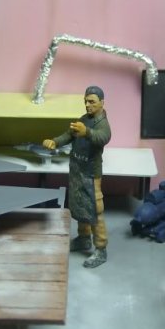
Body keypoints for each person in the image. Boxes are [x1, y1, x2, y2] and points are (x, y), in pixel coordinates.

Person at [43, 86, 112, 268]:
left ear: (102, 103)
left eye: (92, 102)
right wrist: (55, 142)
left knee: (95, 209)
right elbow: (69, 135)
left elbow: (103, 137)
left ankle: (101, 249)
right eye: (86, 101)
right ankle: (83, 238)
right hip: (77, 170)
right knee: (80, 204)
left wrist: (87, 132)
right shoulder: (83, 119)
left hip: (91, 173)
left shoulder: (102, 124)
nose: (88, 105)